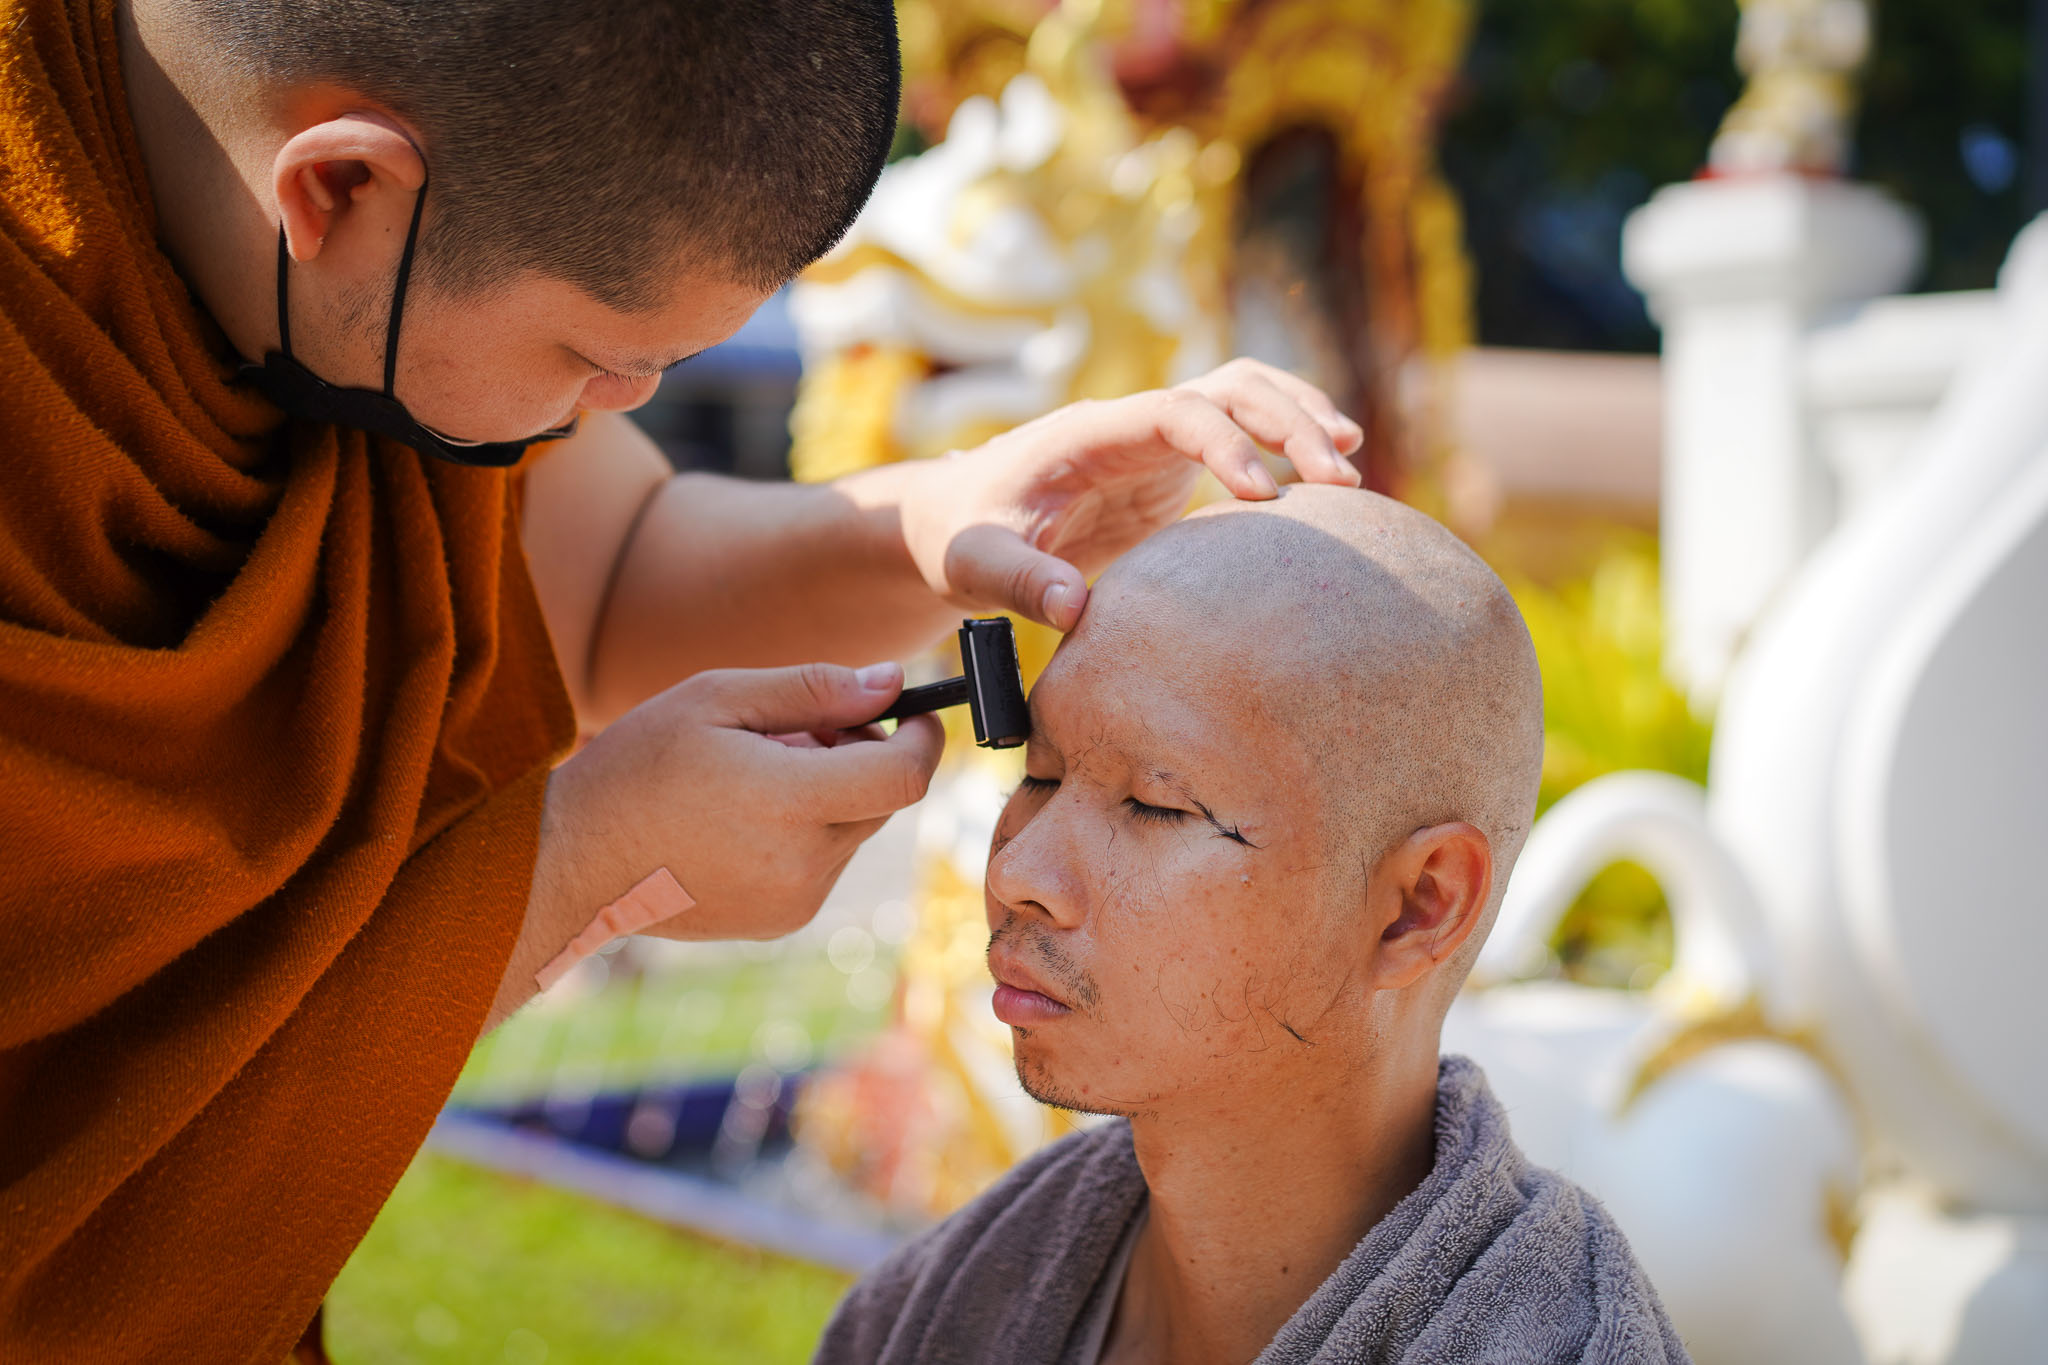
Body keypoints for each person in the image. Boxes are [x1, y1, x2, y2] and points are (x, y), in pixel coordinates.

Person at [0, 0, 1367, 1358]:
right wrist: (578, 870)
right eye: (600, 359)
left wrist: (937, 515)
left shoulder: (360, 288)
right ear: (339, 184)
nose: (625, 405)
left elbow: (606, 579)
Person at [817, 486, 1690, 1365]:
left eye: (1155, 805)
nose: (1016, 872)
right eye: (1039, 775)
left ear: (1417, 906)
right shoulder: (935, 1308)